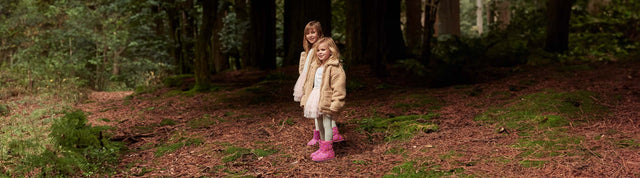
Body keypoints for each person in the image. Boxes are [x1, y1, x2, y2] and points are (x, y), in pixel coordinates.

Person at [293, 21, 344, 147]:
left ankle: (331, 135)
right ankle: (320, 136)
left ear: (319, 33)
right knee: (316, 110)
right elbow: (305, 68)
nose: (310, 35)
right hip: (310, 82)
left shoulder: (320, 48)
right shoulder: (309, 50)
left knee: (323, 110)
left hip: (318, 85)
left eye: (313, 32)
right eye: (307, 33)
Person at [300, 37, 346, 162]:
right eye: (318, 50)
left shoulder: (335, 67)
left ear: (331, 51)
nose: (320, 52)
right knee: (319, 123)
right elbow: (310, 83)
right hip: (316, 97)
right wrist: (306, 96)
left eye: (323, 50)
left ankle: (328, 150)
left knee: (327, 124)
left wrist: (336, 102)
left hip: (327, 98)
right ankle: (322, 147)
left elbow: (339, 87)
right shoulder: (316, 66)